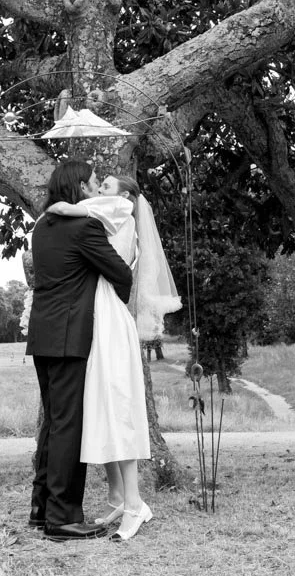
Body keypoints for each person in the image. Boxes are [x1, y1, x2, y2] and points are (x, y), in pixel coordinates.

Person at [44, 174, 181, 541]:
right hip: (98, 314)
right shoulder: (111, 216)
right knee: (101, 407)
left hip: (107, 317)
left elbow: (69, 208)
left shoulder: (119, 209)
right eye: (99, 185)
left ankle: (134, 504)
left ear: (126, 196)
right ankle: (118, 496)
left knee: (116, 406)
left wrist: (55, 206)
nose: (98, 190)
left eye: (105, 185)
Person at [24, 160, 134, 541]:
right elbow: (122, 273)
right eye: (91, 183)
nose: (94, 189)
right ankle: (63, 517)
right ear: (79, 188)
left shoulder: (41, 228)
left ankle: (40, 509)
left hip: (42, 335)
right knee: (69, 426)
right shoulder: (85, 227)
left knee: (52, 423)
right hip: (71, 338)